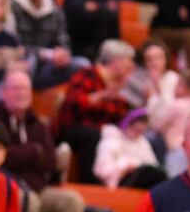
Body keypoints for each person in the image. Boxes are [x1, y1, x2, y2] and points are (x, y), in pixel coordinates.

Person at [0, 70, 85, 212]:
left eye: (25, 89)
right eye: (16, 88)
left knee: (72, 201)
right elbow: (2, 159)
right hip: (7, 190)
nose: (21, 93)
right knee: (29, 202)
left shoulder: (37, 123)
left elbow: (50, 161)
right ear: (3, 93)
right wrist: (34, 152)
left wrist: (22, 156)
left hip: (39, 188)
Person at [56, 39, 133, 183]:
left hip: (104, 131)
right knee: (93, 135)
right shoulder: (87, 74)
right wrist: (102, 95)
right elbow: (73, 103)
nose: (131, 65)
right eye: (127, 61)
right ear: (114, 61)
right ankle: (89, 184)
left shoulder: (121, 84)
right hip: (74, 129)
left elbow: (122, 116)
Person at [12, 0, 90, 90]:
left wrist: (63, 54)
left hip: (50, 65)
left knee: (83, 65)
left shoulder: (55, 9)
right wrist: (46, 54)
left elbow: (63, 38)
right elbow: (14, 45)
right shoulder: (13, 8)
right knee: (29, 62)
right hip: (25, 62)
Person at [93, 108, 166, 189]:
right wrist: (124, 167)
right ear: (126, 124)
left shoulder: (143, 142)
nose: (137, 134)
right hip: (120, 182)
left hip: (143, 179)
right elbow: (101, 170)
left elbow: (152, 163)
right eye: (135, 129)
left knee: (159, 175)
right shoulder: (111, 140)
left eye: (141, 131)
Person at [121, 39, 179, 112]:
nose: (154, 62)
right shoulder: (139, 78)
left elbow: (169, 107)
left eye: (159, 57)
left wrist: (157, 86)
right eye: (149, 59)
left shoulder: (173, 77)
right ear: (144, 62)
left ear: (166, 59)